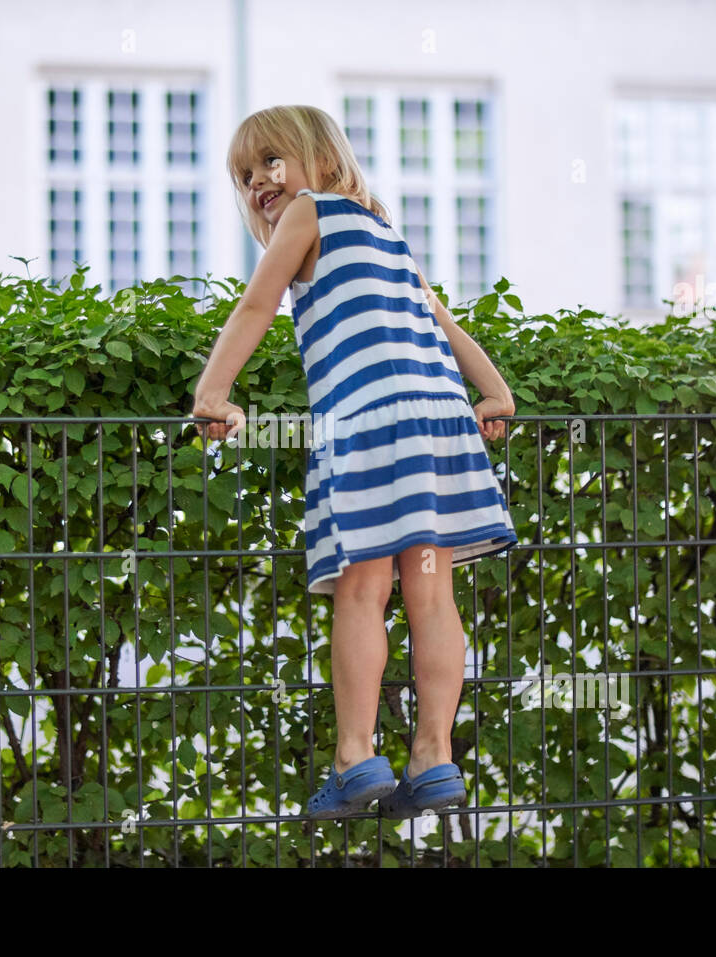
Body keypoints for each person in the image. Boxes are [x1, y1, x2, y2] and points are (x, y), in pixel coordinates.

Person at [191, 104, 519, 821]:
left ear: (323, 161)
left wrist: (213, 393)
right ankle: (434, 756)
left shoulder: (309, 214)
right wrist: (493, 391)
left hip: (369, 421)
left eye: (272, 162)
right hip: (436, 419)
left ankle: (353, 756)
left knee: (362, 589)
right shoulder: (387, 235)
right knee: (432, 592)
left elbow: (255, 305)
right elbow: (445, 322)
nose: (258, 183)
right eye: (244, 175)